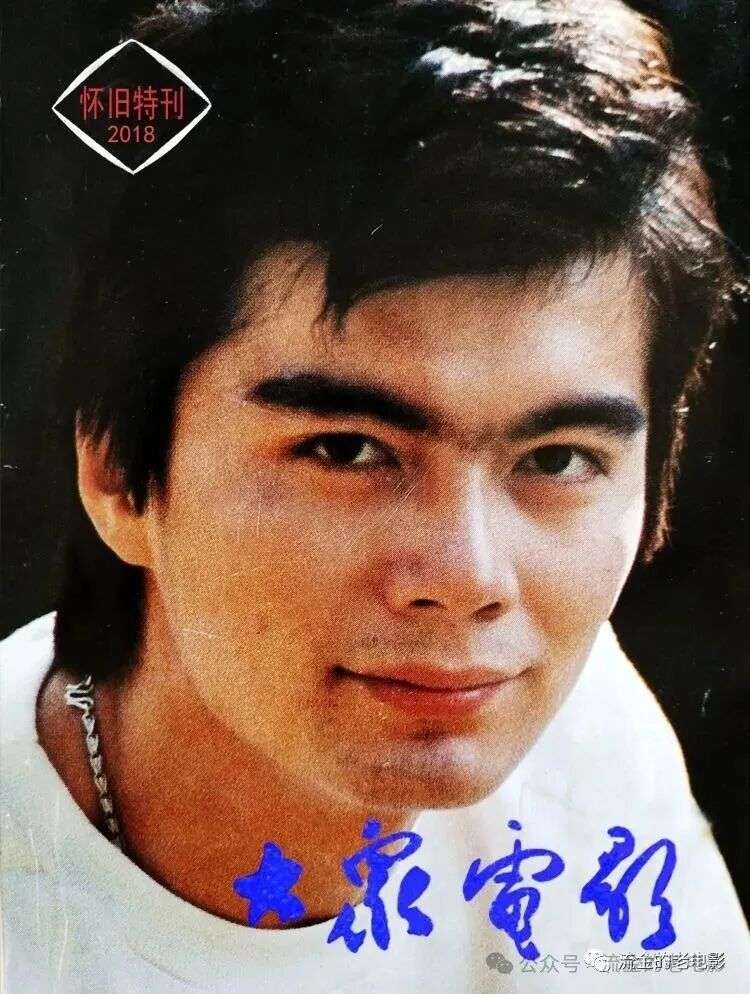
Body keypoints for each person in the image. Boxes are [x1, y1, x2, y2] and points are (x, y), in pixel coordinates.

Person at [1, 0, 748, 991]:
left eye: (558, 459)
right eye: (347, 450)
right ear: (116, 473)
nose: (469, 579)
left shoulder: (581, 736)